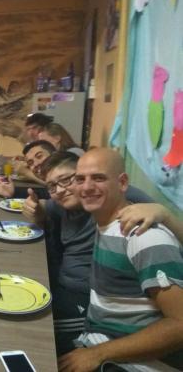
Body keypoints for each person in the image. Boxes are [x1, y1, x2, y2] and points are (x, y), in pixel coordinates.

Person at [59, 148, 183, 372]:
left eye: (98, 178)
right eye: (80, 179)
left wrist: (97, 354)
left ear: (123, 183)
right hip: (99, 340)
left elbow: (180, 324)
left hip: (134, 360)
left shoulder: (144, 236)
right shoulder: (106, 222)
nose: (87, 187)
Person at [24, 151, 154, 356]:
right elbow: (41, 205)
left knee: (31, 331)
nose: (60, 190)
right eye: (51, 186)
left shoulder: (119, 201)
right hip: (62, 285)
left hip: (87, 298)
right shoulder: (61, 204)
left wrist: (160, 212)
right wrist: (38, 214)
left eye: (67, 180)